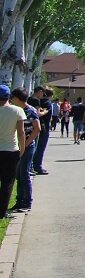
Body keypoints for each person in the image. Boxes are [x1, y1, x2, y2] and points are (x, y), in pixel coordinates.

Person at [11, 89, 40, 213]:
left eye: (12, 97)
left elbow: (37, 129)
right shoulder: (16, 110)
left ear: (17, 98)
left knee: (24, 174)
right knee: (18, 174)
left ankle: (27, 202)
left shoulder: (30, 110)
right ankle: (19, 200)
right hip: (18, 146)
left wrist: (25, 144)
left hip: (28, 146)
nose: (11, 99)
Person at [0, 85, 26, 220]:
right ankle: (2, 211)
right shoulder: (17, 111)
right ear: (8, 96)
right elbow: (21, 133)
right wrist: (23, 148)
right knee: (7, 182)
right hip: (10, 149)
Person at [32, 87, 56, 174]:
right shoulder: (48, 103)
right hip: (44, 127)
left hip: (34, 126)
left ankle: (33, 165)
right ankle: (38, 166)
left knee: (34, 146)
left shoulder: (36, 101)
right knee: (41, 147)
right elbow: (48, 117)